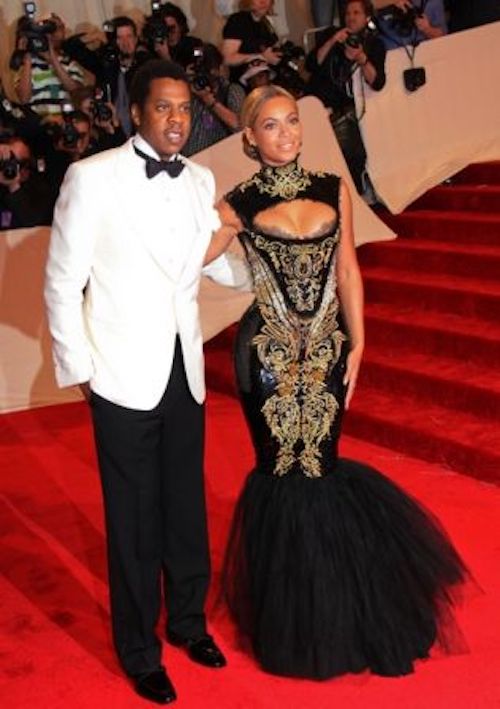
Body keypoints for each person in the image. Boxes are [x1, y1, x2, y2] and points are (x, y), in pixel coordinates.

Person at [205, 84, 468, 679]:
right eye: (271, 125)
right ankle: (293, 619)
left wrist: (361, 343)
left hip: (328, 349)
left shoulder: (333, 187)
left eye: (292, 121)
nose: (286, 133)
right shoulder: (238, 201)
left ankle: (337, 612)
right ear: (250, 138)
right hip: (267, 355)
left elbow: (348, 270)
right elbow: (186, 258)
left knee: (319, 466)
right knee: (282, 470)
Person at [44, 59, 232, 705]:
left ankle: (188, 622)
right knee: (133, 519)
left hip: (185, 369)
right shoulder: (91, 177)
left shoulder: (201, 179)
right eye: (163, 107)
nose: (177, 119)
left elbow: (209, 266)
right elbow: (61, 283)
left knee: (185, 507)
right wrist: (82, 370)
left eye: (185, 108)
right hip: (119, 374)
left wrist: (257, 245)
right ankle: (139, 649)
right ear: (136, 113)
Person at [306, 0, 386, 193]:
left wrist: (361, 58)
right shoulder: (332, 34)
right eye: (348, 13)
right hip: (318, 104)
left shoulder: (374, 44)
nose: (351, 17)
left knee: (352, 155)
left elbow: (377, 82)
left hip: (347, 110)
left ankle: (354, 195)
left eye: (356, 13)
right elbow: (311, 65)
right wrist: (333, 40)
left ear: (367, 17)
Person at [13, 13, 85, 118]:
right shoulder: (26, 66)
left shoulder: (69, 63)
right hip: (38, 123)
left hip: (66, 119)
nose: (53, 35)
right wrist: (27, 58)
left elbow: (75, 91)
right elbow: (24, 98)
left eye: (58, 28)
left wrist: (52, 59)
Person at [0, 135, 55, 229]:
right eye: (8, 161)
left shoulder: (39, 187)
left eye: (22, 163)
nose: (13, 167)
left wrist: (14, 186)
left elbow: (32, 224)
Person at [222, 0, 282, 83]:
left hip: (267, 80)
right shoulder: (238, 20)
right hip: (244, 83)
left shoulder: (265, 24)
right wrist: (260, 56)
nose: (263, 2)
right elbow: (228, 58)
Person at [373, 0, 447, 50]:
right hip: (389, 52)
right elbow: (367, 5)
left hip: (423, 50)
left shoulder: (432, 2)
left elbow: (442, 37)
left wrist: (427, 29)